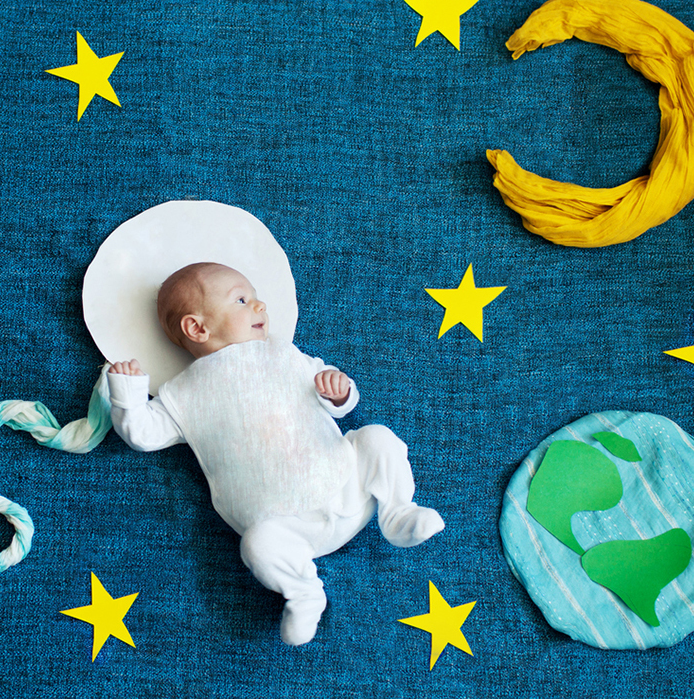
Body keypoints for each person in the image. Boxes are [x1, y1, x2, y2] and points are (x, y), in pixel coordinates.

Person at [107, 262, 444, 645]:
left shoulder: (284, 353)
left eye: (255, 297)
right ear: (197, 328)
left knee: (376, 438)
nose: (260, 305)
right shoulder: (183, 393)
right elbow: (143, 434)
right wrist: (128, 395)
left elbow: (336, 399)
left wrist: (338, 392)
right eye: (242, 299)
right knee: (256, 544)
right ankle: (303, 592)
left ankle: (397, 510)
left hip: (349, 486)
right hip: (286, 530)